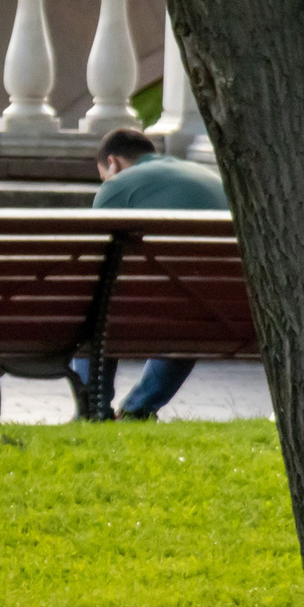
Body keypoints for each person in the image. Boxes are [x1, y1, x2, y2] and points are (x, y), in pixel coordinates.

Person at [78, 126, 232, 421]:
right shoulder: (209, 177)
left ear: (113, 163)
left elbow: (93, 263)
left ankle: (93, 409)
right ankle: (138, 410)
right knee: (187, 325)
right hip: (219, 313)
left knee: (95, 315)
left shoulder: (119, 185)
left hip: (143, 312)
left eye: (104, 175)